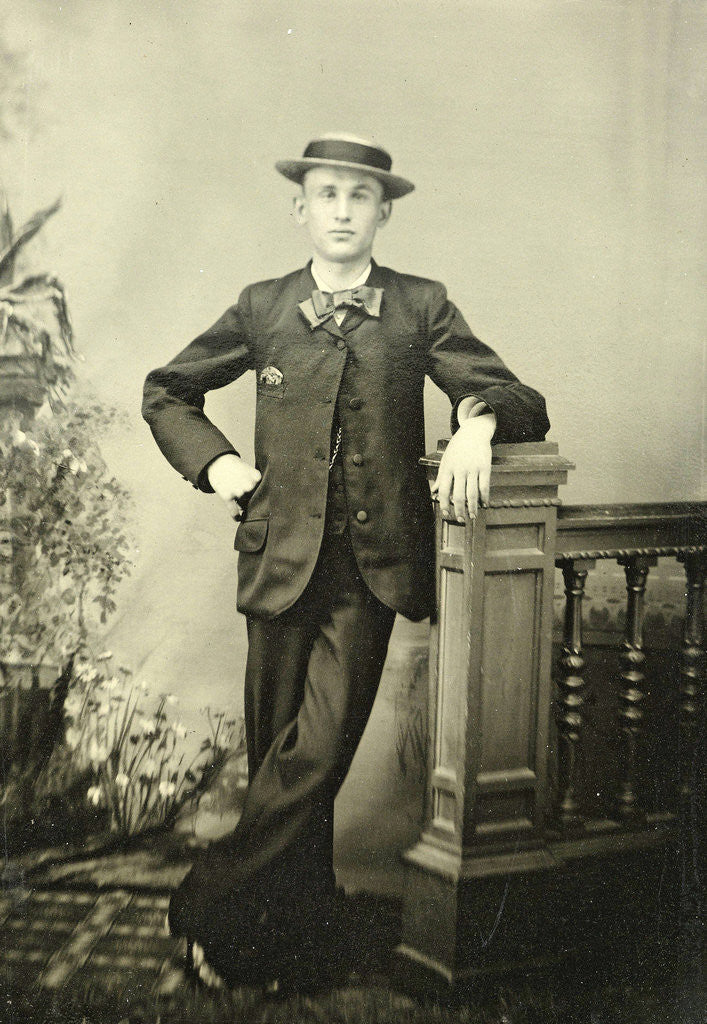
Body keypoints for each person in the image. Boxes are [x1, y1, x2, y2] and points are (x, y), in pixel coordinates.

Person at [142, 132, 550, 989]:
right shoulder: (261, 306)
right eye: (325, 195)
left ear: (382, 212)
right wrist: (218, 463)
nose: (340, 210)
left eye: (357, 197)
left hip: (365, 574)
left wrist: (475, 419)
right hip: (275, 562)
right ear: (301, 209)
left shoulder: (419, 305)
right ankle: (280, 938)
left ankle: (200, 905)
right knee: (278, 768)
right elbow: (167, 391)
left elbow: (519, 396)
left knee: (314, 758)